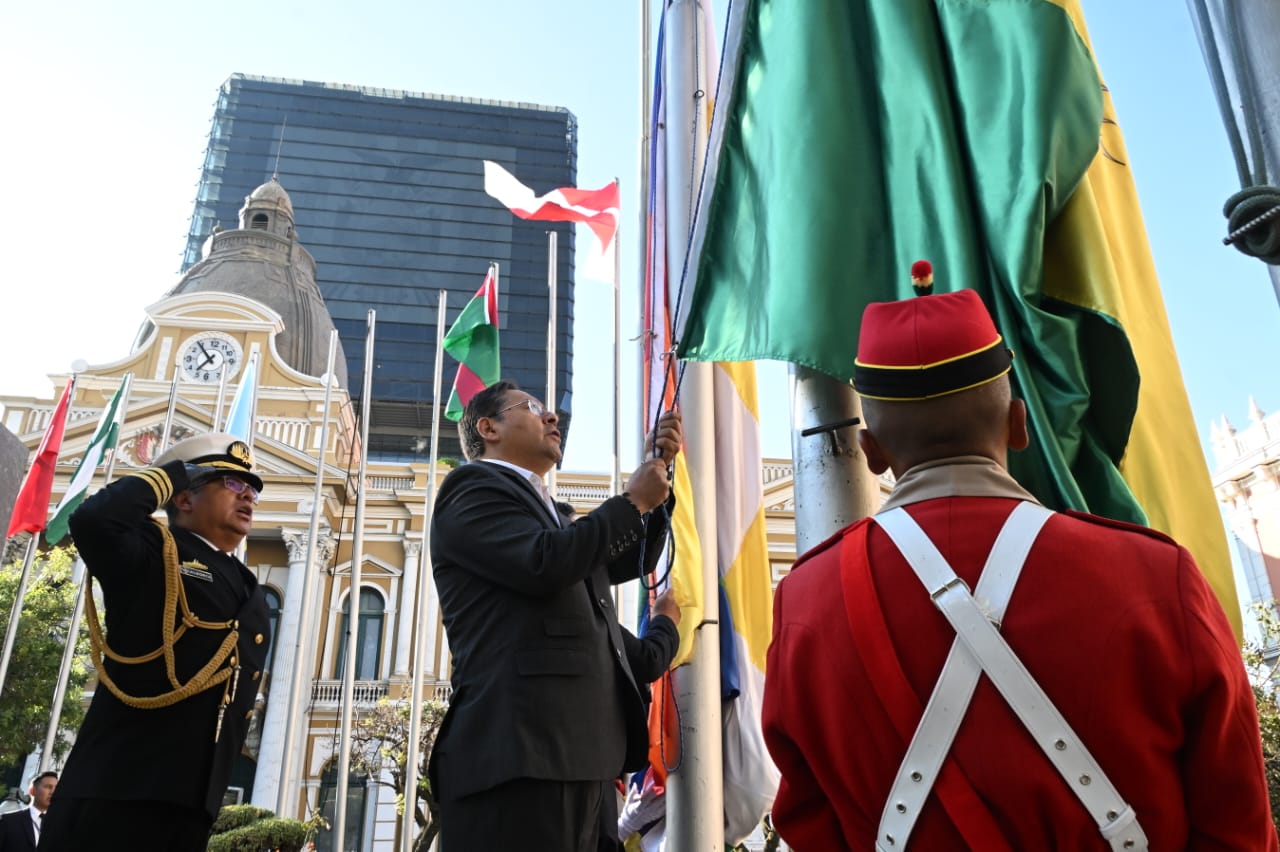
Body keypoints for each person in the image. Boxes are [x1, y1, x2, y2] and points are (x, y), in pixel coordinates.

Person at [761, 288, 1278, 850]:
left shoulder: (804, 603)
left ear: (871, 449)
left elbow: (812, 829)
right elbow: (1239, 828)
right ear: (1018, 423)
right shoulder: (1155, 572)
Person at [429, 381, 682, 852]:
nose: (552, 419)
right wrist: (631, 503)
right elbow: (546, 560)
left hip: (587, 763)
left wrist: (661, 477)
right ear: (488, 428)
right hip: (520, 757)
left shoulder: (554, 519)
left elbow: (621, 562)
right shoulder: (472, 487)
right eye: (531, 408)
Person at [39, 434, 271, 852]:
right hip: (116, 789)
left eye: (252, 489)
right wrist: (176, 474)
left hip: (188, 801)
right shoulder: (152, 550)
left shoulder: (244, 582)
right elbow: (94, 520)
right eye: (232, 484)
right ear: (184, 498)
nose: (248, 497)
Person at [0, 771, 55, 852]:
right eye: (48, 787)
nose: (53, 792)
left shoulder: (60, 827)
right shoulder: (7, 821)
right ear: (32, 791)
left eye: (57, 788)